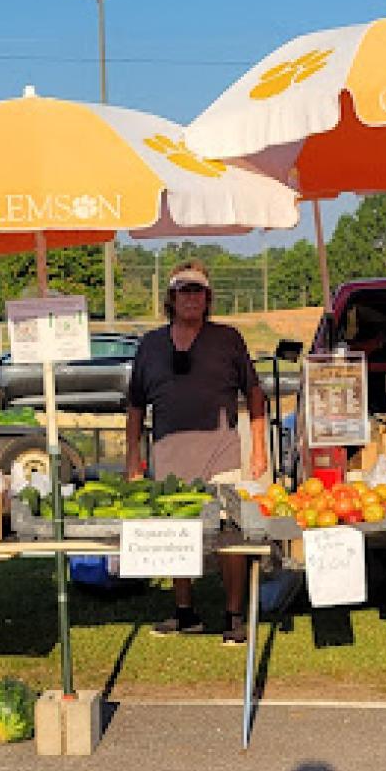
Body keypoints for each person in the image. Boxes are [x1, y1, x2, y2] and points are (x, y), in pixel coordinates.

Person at [125, 262, 267, 644]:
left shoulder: (228, 339)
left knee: (229, 535)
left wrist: (259, 450)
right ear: (171, 297)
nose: (191, 297)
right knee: (176, 534)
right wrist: (132, 460)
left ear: (208, 298)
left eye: (198, 290)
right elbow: (136, 406)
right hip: (169, 458)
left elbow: (254, 393)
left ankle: (233, 614)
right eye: (184, 290)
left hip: (221, 454)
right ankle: (184, 611)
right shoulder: (151, 344)